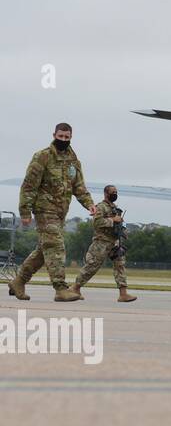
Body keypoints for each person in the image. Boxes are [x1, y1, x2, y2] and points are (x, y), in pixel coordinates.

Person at [12, 123, 95, 302]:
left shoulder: (74, 161)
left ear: (71, 137)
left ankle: (19, 281)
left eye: (67, 137)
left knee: (44, 250)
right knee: (56, 246)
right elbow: (29, 185)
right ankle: (60, 288)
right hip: (43, 210)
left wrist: (89, 204)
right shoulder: (43, 156)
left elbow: (79, 187)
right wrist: (25, 211)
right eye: (61, 136)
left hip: (60, 213)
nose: (63, 140)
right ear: (54, 135)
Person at [72, 185, 137, 302]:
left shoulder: (115, 208)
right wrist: (113, 220)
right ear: (106, 194)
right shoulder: (100, 207)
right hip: (101, 242)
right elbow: (97, 223)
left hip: (114, 242)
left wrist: (122, 230)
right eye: (112, 192)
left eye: (116, 192)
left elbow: (118, 223)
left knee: (120, 265)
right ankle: (75, 288)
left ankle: (123, 293)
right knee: (92, 266)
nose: (115, 194)